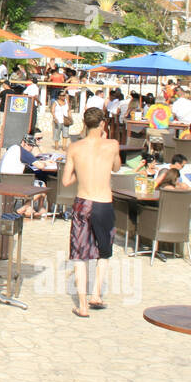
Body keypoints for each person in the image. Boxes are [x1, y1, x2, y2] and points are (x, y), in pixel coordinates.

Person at [60, 107, 121, 318]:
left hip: (83, 202)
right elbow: (117, 167)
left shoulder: (75, 147)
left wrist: (81, 171)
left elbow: (66, 180)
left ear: (84, 124)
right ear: (103, 123)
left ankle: (83, 305)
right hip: (104, 202)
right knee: (104, 252)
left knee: (79, 254)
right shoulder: (112, 145)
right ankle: (96, 294)